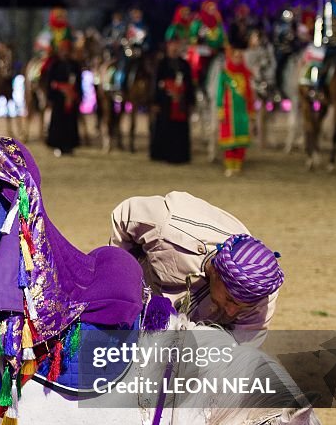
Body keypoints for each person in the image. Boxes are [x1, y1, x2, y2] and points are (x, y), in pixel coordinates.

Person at [110, 193, 284, 346]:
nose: (231, 312)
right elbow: (125, 215)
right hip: (146, 293)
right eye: (230, 299)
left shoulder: (261, 296)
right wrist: (123, 287)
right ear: (216, 271)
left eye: (243, 307)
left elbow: (238, 351)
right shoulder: (169, 229)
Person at [150, 36, 194, 164]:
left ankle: (180, 155)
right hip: (165, 103)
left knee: (180, 129)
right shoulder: (161, 64)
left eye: (177, 45)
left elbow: (190, 85)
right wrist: (155, 101)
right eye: (172, 45)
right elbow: (155, 84)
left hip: (181, 103)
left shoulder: (185, 65)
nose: (174, 48)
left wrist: (190, 102)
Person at [217, 45, 254, 177]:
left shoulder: (245, 74)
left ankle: (238, 165)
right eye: (235, 57)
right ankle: (229, 165)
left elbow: (249, 94)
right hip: (229, 112)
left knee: (241, 141)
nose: (237, 59)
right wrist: (220, 109)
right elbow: (220, 92)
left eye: (240, 57)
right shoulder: (225, 74)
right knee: (229, 141)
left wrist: (251, 111)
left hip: (242, 113)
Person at [44, 38, 82, 156]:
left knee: (71, 123)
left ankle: (70, 146)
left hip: (72, 99)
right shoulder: (55, 65)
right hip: (58, 99)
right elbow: (50, 82)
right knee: (58, 123)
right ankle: (58, 145)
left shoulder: (75, 65)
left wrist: (78, 95)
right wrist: (51, 96)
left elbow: (79, 82)